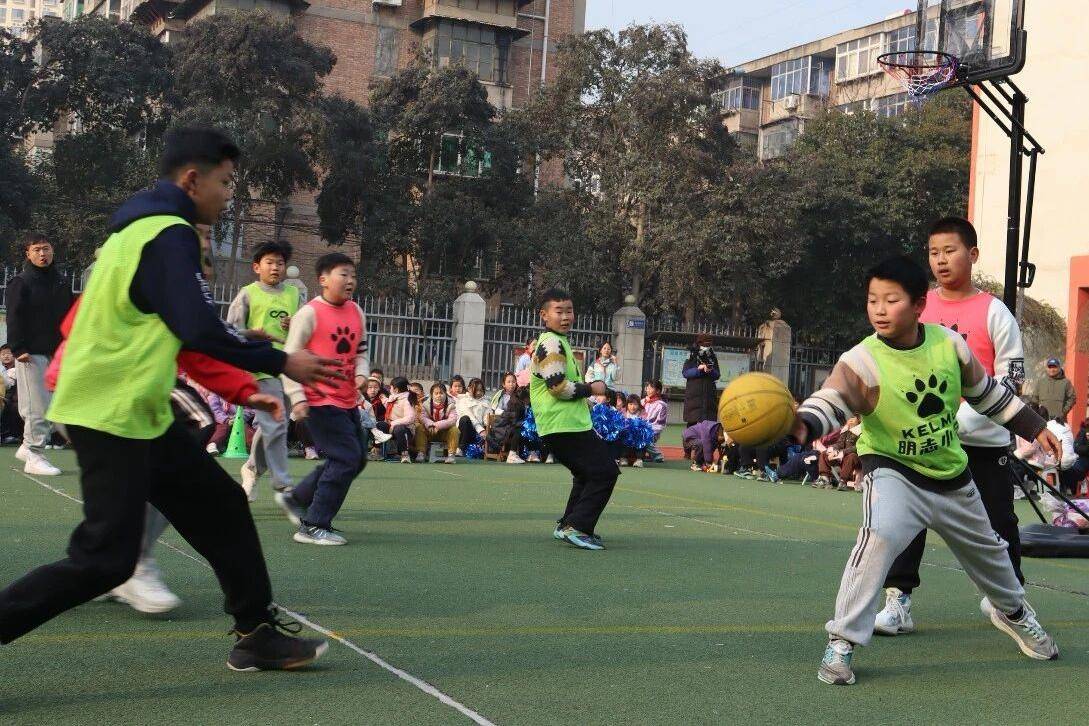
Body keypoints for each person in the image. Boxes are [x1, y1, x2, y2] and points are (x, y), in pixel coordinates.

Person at [1, 127, 341, 670]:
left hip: (137, 412)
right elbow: (195, 328)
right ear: (191, 180)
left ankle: (255, 632)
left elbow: (184, 330)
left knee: (222, 506)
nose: (228, 196)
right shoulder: (168, 233)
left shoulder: (139, 232)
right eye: (224, 183)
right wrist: (281, 362)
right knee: (105, 560)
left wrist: (243, 363)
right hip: (107, 413)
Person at [795, 255, 1060, 686]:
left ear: (919, 305)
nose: (880, 310)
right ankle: (841, 643)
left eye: (891, 300)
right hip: (893, 471)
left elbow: (987, 394)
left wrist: (1034, 426)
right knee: (877, 538)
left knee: (994, 559)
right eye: (873, 300)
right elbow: (833, 399)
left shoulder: (948, 346)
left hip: (952, 477)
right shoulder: (862, 359)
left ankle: (1013, 613)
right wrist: (805, 422)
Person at [875, 217, 1034, 638]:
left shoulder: (995, 312)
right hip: (922, 441)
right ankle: (898, 600)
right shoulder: (917, 307)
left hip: (983, 441)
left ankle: (1009, 601)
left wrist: (960, 418)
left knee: (999, 524)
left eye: (950, 251)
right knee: (904, 522)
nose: (941, 260)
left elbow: (1012, 379)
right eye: (933, 252)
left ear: (973, 255)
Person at [275, 252, 370, 545]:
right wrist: (297, 398)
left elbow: (361, 352)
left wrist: (362, 375)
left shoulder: (357, 312)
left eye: (353, 275)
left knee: (357, 459)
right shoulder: (309, 314)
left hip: (347, 400)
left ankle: (297, 498)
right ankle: (314, 525)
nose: (350, 280)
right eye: (343, 274)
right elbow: (289, 359)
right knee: (345, 458)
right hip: (318, 400)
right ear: (323, 279)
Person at [530, 288, 618, 551]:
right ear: (544, 315)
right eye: (559, 311)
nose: (566, 316)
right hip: (563, 424)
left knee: (585, 474)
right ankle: (578, 527)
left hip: (564, 424)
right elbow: (557, 387)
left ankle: (568, 524)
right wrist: (592, 389)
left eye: (569, 311)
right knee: (605, 472)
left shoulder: (558, 341)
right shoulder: (551, 344)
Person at [228, 241, 301, 502]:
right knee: (275, 421)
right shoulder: (247, 294)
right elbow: (230, 330)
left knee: (276, 423)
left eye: (280, 263)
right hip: (259, 366)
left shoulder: (294, 294)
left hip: (288, 367)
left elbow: (307, 327)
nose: (275, 267)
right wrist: (252, 334)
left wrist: (295, 323)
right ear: (256, 267)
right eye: (269, 262)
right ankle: (283, 483)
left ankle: (251, 468)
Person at [9, 233, 74, 476]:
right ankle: (34, 454)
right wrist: (18, 348)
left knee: (49, 404)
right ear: (28, 254)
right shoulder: (21, 282)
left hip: (57, 352)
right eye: (36, 249)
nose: (42, 254)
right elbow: (14, 316)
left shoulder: (62, 281)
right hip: (30, 353)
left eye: (46, 248)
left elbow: (69, 316)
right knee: (38, 406)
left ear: (52, 250)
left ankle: (28, 447)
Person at [682, 334, 720, 431]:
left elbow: (717, 374)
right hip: (694, 400)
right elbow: (685, 372)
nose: (707, 347)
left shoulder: (712, 356)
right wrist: (699, 369)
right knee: (692, 430)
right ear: (699, 344)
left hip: (709, 400)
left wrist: (710, 370)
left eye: (709, 345)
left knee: (709, 430)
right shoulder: (692, 355)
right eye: (705, 345)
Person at [375, 376, 416, 464]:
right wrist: (383, 399)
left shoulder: (407, 400)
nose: (390, 389)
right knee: (379, 425)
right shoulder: (394, 397)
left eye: (391, 387)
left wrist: (393, 423)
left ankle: (404, 454)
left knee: (399, 428)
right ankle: (377, 450)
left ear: (396, 390)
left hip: (405, 430)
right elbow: (390, 406)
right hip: (391, 427)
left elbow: (410, 418)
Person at [414, 382, 458, 464]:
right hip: (430, 431)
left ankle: (451, 455)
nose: (439, 395)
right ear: (432, 395)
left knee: (455, 430)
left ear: (445, 394)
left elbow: (452, 420)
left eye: (441, 393)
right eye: (436, 393)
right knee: (420, 427)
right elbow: (422, 417)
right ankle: (421, 453)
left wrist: (437, 425)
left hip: (444, 434)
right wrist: (430, 425)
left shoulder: (451, 405)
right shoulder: (426, 405)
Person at [486, 387, 529, 464]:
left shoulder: (517, 402)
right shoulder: (516, 405)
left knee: (522, 429)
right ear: (524, 398)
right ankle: (512, 455)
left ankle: (519, 454)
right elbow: (514, 422)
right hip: (502, 431)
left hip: (506, 429)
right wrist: (524, 423)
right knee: (519, 430)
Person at [1033, 357, 1076, 425]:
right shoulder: (1040, 382)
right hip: (1042, 420)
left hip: (1059, 420)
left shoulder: (1066, 382)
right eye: (1050, 367)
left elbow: (1072, 398)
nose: (1052, 370)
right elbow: (1034, 398)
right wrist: (1037, 412)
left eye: (1054, 367)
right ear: (1046, 368)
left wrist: (1063, 412)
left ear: (1059, 368)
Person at [454, 377, 489, 456]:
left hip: (478, 433)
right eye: (476, 390)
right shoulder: (463, 400)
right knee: (465, 419)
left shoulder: (486, 402)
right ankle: (461, 448)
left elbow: (487, 417)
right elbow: (470, 417)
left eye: (481, 390)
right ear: (469, 389)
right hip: (465, 431)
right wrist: (481, 430)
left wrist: (488, 426)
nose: (478, 393)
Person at [0, 343, 23, 444]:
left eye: (9, 353)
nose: (6, 356)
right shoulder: (1, 369)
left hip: (15, 398)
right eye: (3, 354)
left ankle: (13, 434)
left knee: (14, 407)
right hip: (3, 397)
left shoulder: (20, 368)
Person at [640, 379, 667, 463]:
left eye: (651, 388)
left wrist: (645, 430)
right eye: (647, 388)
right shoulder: (642, 401)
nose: (647, 390)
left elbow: (660, 425)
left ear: (658, 391)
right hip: (639, 428)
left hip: (652, 431)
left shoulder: (661, 405)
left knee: (642, 437)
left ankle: (657, 455)